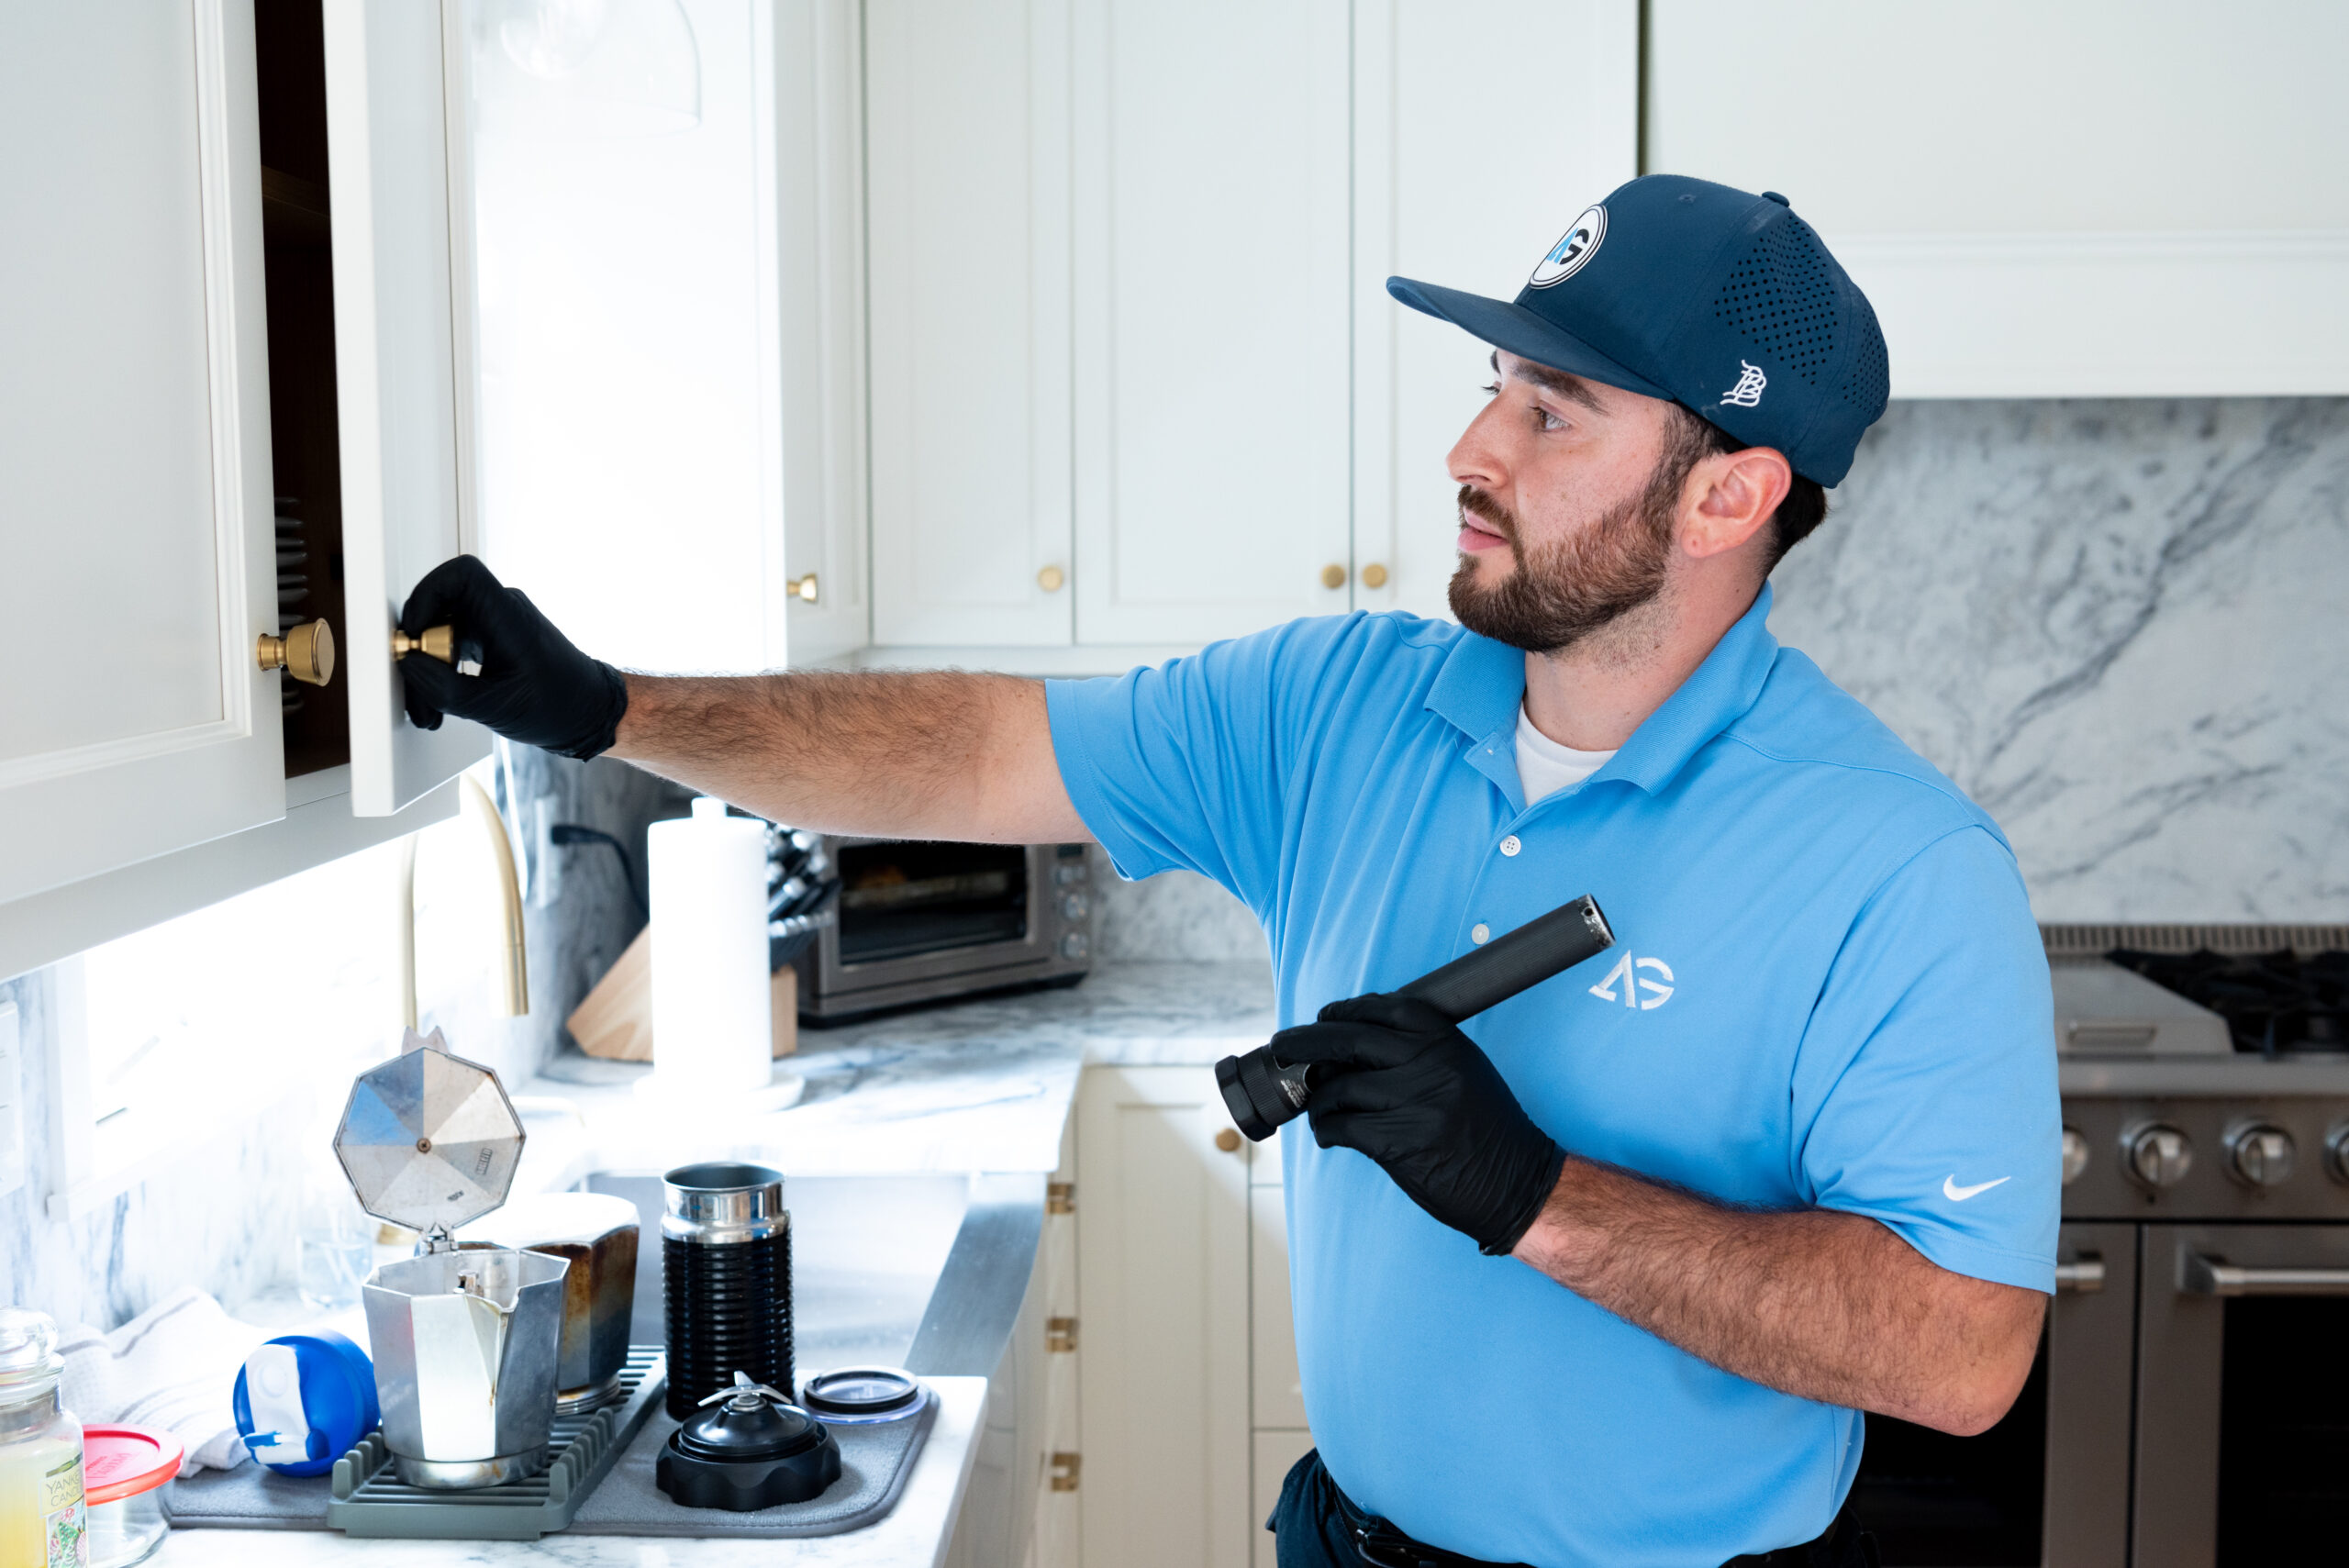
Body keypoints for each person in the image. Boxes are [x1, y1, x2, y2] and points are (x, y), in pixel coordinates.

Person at [401, 174, 2057, 1568]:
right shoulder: (1341, 708)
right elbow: (981, 749)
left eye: (1554, 412)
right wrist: (614, 708)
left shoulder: (1895, 866)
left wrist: (1529, 1192)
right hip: (1339, 1542)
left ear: (1732, 493)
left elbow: (1964, 1351)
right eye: (1494, 381)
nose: (1474, 446)